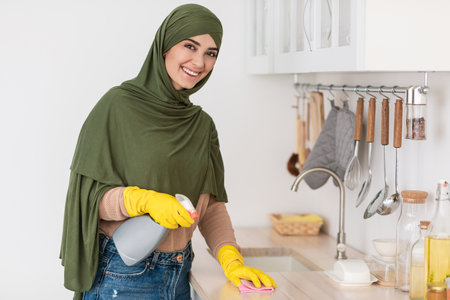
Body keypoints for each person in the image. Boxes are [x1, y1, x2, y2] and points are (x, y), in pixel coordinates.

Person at [60, 4, 276, 300]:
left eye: (211, 53)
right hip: (123, 275)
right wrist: (143, 200)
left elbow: (210, 207)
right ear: (164, 47)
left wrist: (231, 259)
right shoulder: (117, 107)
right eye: (190, 46)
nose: (199, 62)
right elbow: (89, 200)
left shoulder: (201, 125)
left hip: (179, 272)